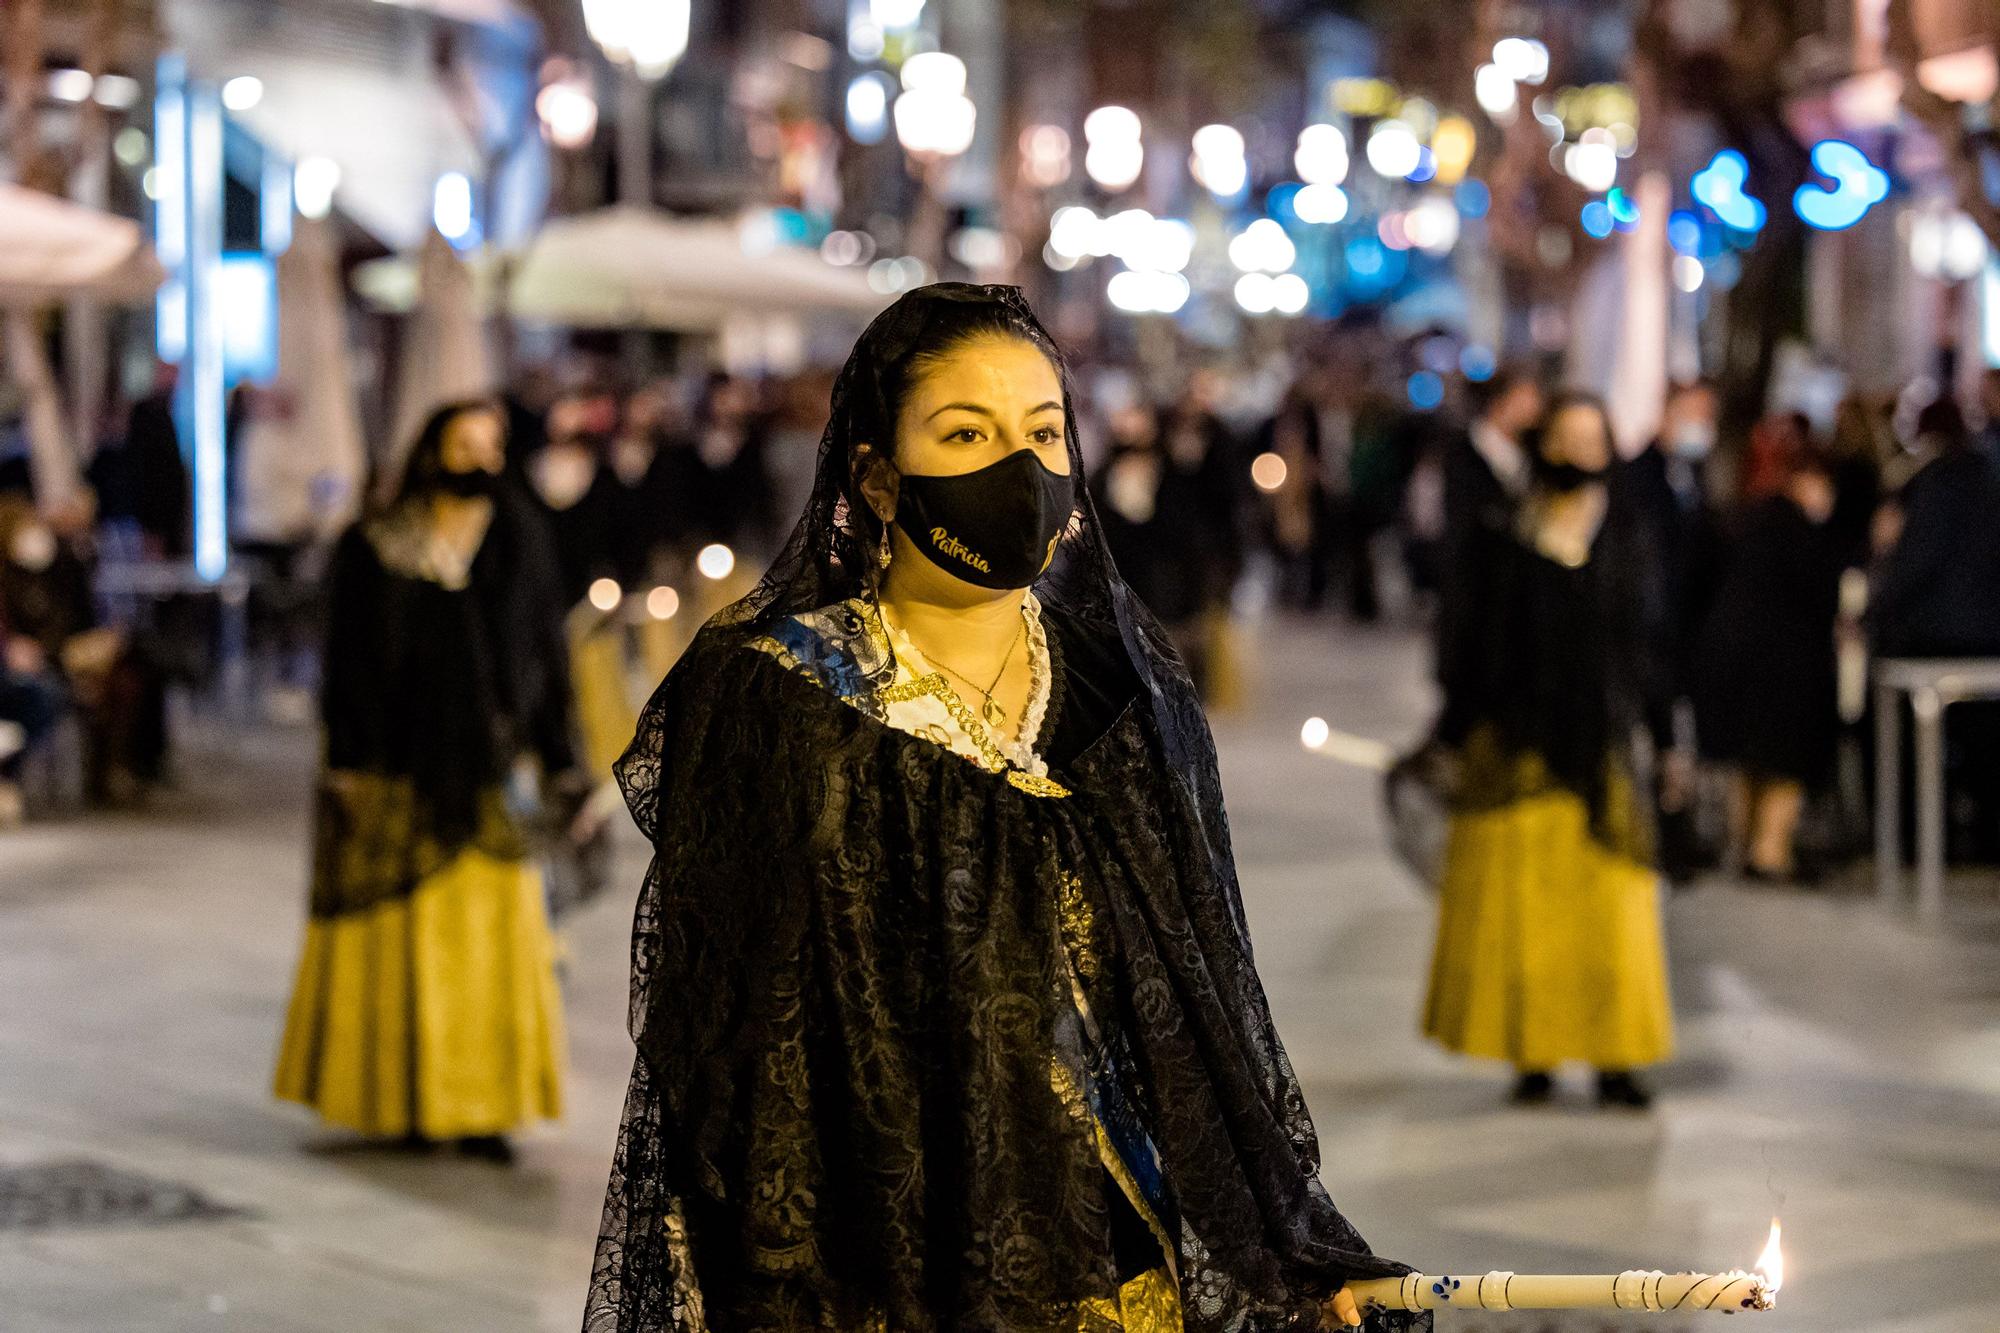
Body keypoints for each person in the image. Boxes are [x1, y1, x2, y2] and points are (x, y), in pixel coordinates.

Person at [583, 285, 1424, 1332]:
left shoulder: (1123, 688)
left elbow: (1203, 1002)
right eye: (964, 433)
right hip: (890, 1275)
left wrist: (1287, 1245)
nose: (1015, 469)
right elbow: (733, 1053)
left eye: (1041, 433)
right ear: (876, 476)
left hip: (1120, 1255)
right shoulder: (779, 699)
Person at [273, 400, 573, 1161]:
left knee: (488, 947)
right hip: (397, 765)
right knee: (403, 944)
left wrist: (559, 751)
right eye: (462, 442)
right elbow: (345, 660)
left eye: (492, 444)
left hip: (491, 771)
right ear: (428, 448)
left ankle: (484, 1109)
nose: (478, 458)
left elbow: (547, 649)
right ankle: (403, 1098)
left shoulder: (519, 539)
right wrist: (345, 757)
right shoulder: (375, 544)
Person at [1419, 393, 1672, 1110]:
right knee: (1525, 912)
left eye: (1594, 441)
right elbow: (1472, 640)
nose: (1580, 455)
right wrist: (1454, 728)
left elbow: (1649, 646)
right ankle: (1533, 1053)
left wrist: (1667, 737)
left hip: (1602, 750)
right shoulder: (1505, 531)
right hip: (1518, 747)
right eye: (1567, 439)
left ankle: (1617, 1058)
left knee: (1611, 915)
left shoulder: (1628, 534)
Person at [1693, 442, 1843, 881]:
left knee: (1747, 761)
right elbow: (1823, 598)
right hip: (1785, 671)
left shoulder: (1744, 520)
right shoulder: (1804, 534)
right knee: (1784, 765)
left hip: (1730, 661)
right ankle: (1771, 853)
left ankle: (1743, 845)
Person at [1620, 380, 1724, 882]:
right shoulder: (1639, 476)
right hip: (1649, 634)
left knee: (1674, 742)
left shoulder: (1691, 474)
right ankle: (1659, 838)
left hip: (1684, 631)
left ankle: (1676, 835)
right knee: (1656, 736)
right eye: (1695, 413)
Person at [1432, 366, 1542, 740]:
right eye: (1526, 399)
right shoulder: (1463, 454)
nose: (1534, 409)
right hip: (1474, 604)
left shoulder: (1532, 459)